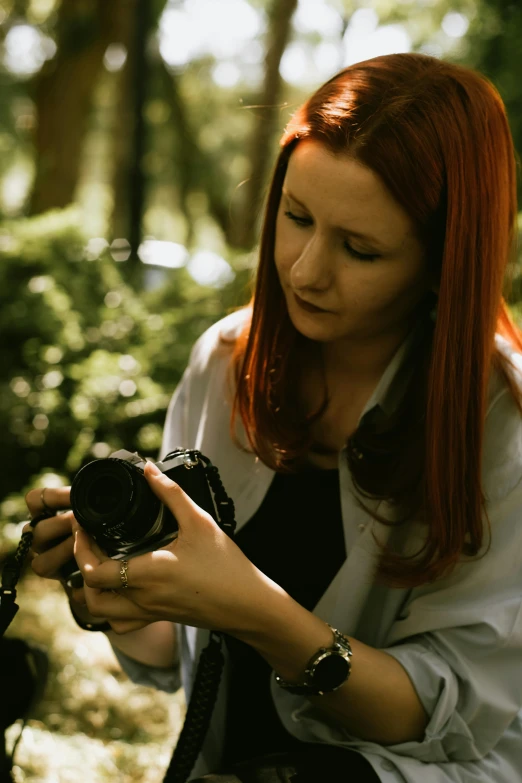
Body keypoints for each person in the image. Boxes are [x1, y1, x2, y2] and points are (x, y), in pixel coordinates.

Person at [24, 52, 522, 783]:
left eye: (360, 248)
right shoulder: (228, 360)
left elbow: (443, 721)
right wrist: (114, 589)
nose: (305, 269)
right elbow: (172, 656)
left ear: (444, 261)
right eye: (295, 217)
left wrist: (253, 607)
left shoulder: (503, 423)